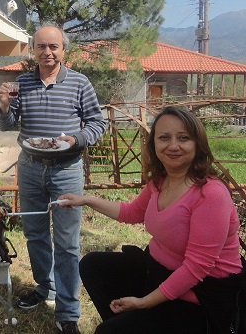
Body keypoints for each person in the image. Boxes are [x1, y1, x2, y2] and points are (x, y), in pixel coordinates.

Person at [59, 106, 244, 333]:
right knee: (93, 266)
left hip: (202, 295)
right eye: (164, 137)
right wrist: (85, 200)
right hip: (158, 271)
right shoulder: (161, 181)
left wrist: (143, 303)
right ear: (154, 143)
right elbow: (131, 212)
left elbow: (197, 268)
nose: (173, 145)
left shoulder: (210, 194)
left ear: (198, 144)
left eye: (183, 138)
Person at [0, 25, 106, 334]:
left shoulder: (80, 83)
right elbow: (6, 124)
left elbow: (97, 123)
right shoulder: (22, 83)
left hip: (66, 169)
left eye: (53, 46)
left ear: (63, 50)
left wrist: (76, 139)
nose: (47, 52)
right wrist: (4, 105)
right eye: (41, 46)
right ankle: (46, 287)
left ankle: (68, 312)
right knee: (35, 234)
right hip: (30, 167)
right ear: (33, 50)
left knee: (67, 243)